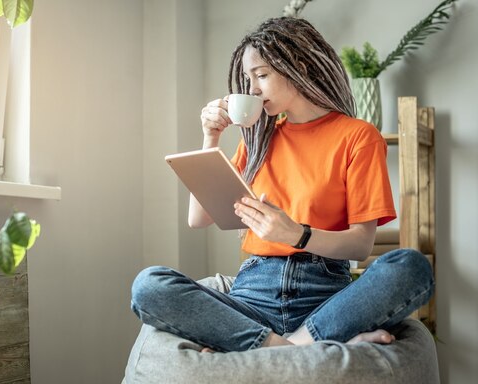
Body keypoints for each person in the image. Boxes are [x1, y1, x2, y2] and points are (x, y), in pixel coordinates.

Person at [131, 17, 434, 353]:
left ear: (299, 67)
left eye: (261, 75)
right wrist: (211, 136)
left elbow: (361, 245)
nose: (253, 89)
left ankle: (267, 346)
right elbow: (198, 218)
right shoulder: (258, 140)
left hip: (323, 298)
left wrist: (296, 234)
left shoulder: (358, 136)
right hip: (252, 299)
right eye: (248, 79)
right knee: (149, 285)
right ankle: (305, 346)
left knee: (411, 267)